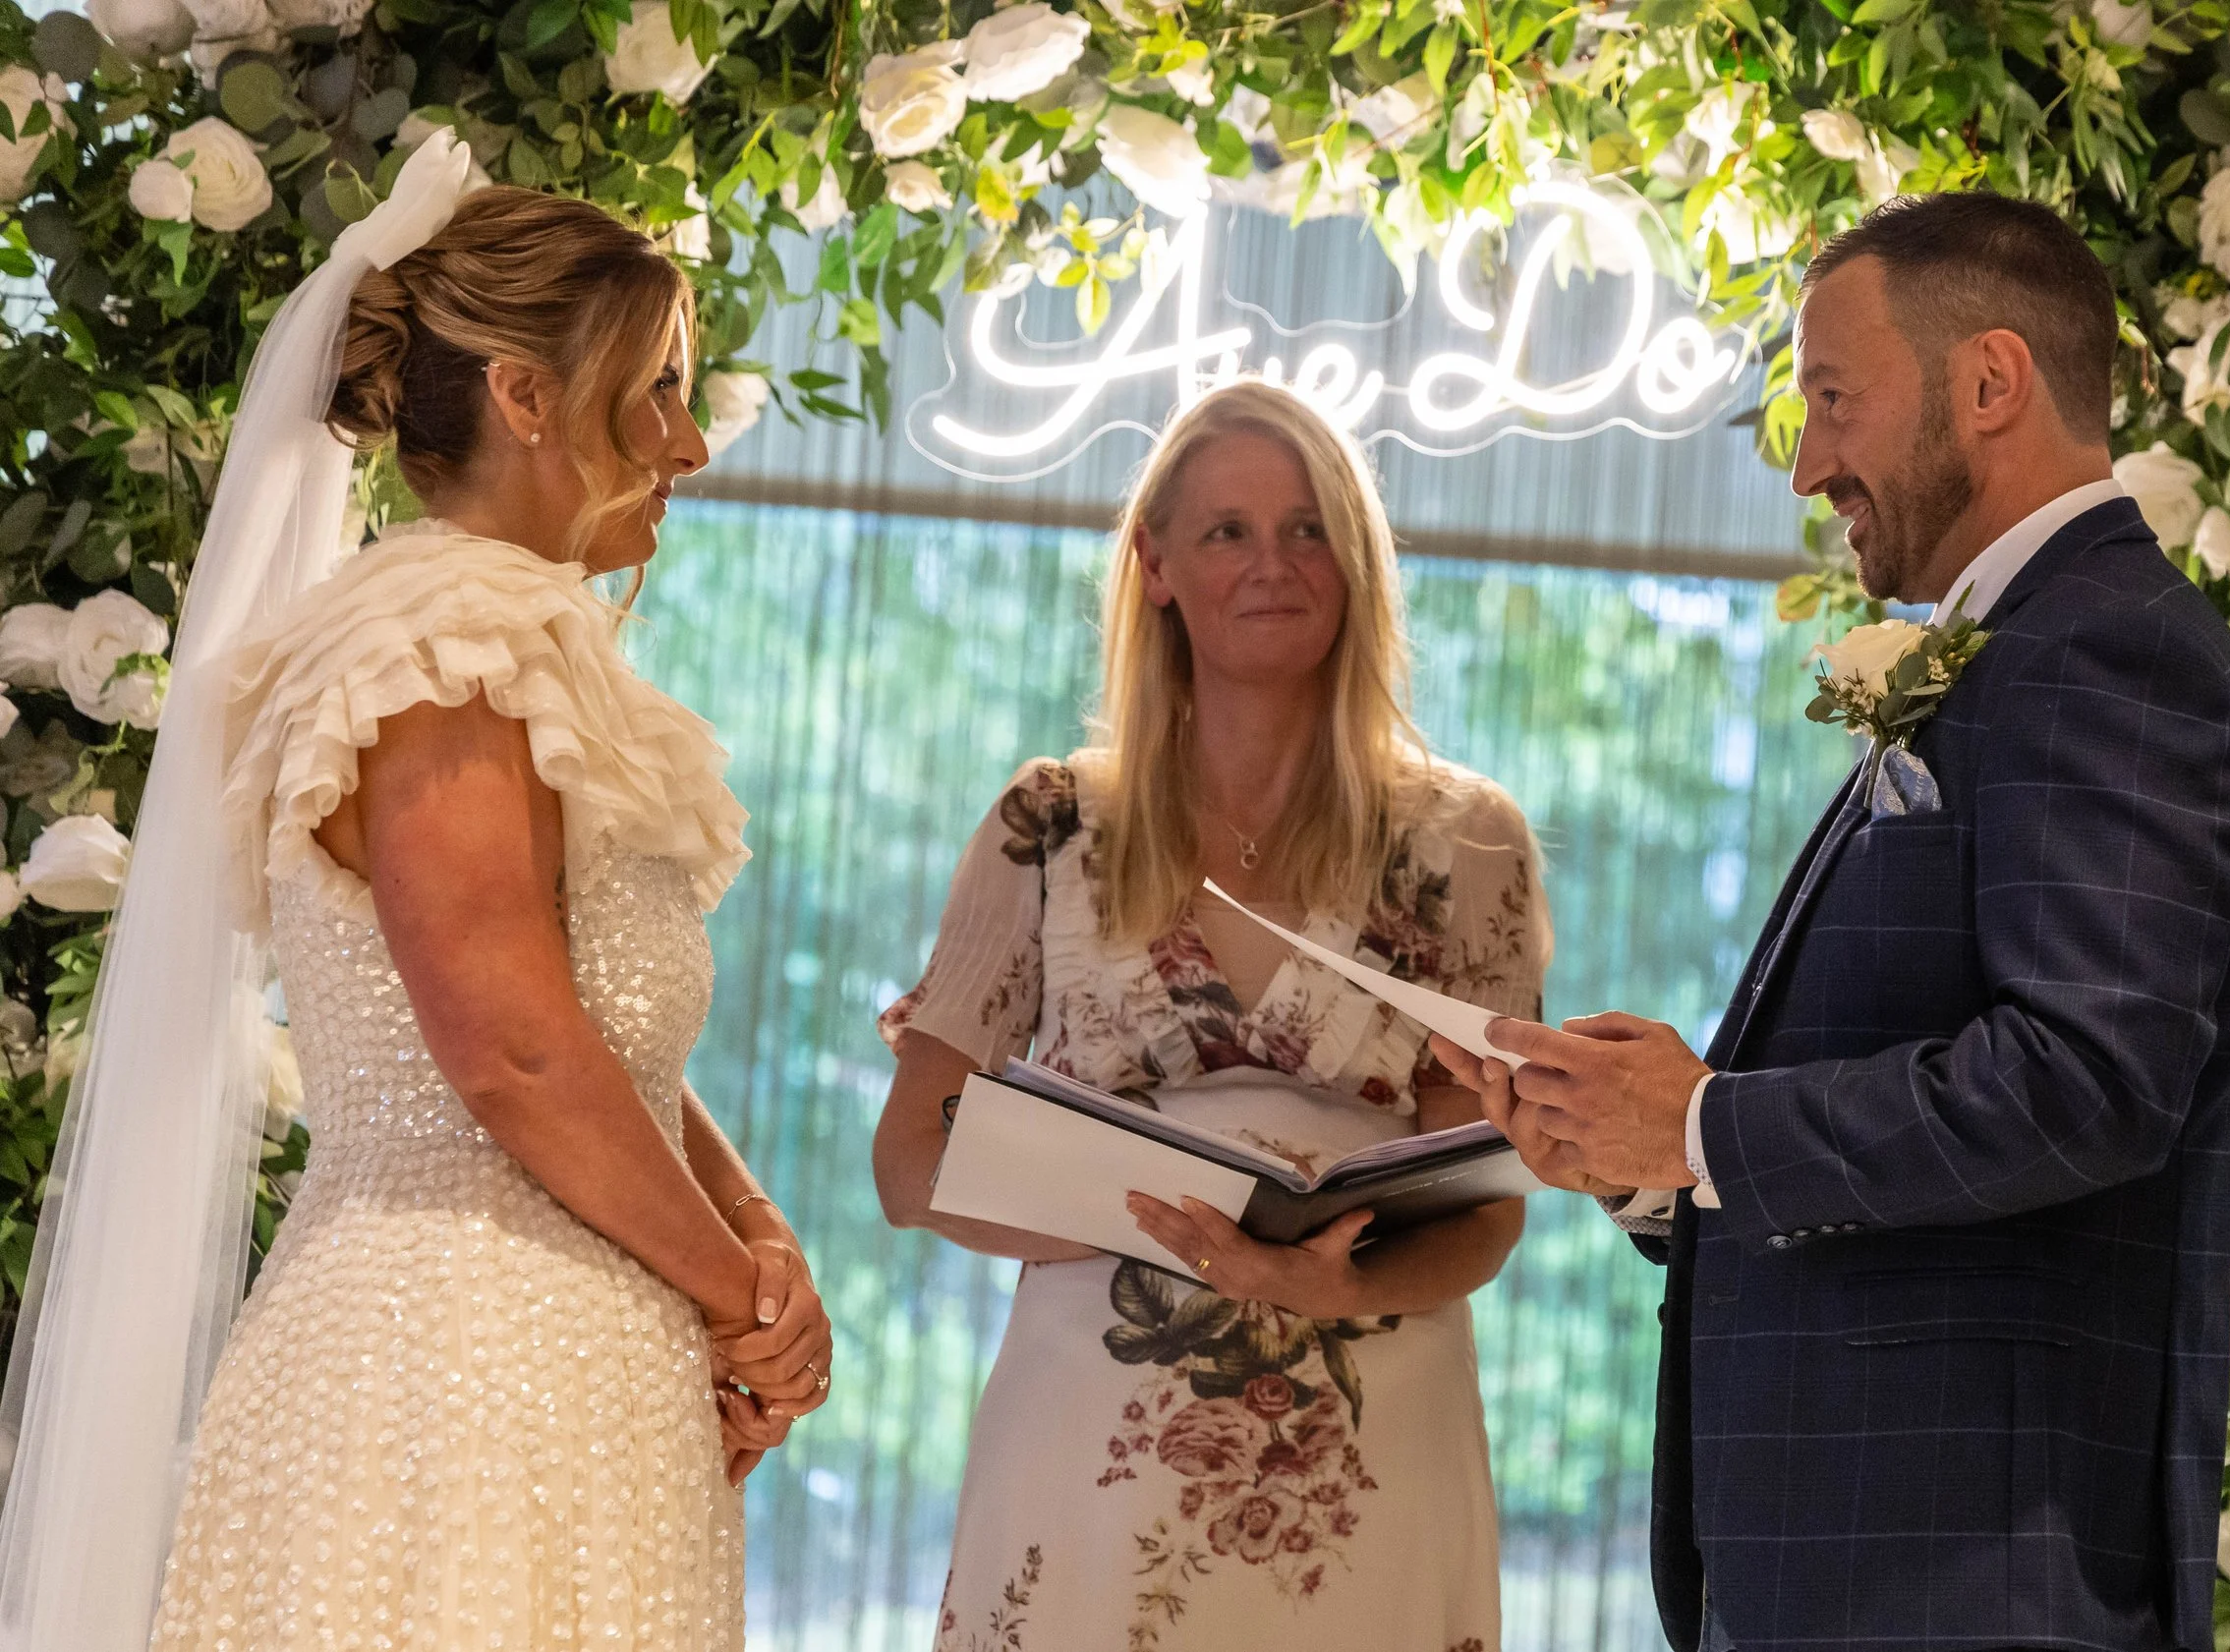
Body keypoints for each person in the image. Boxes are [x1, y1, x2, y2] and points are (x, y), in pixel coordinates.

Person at [0, 139, 830, 1651]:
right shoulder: (443, 645)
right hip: (452, 1372)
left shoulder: (497, 642)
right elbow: (509, 1046)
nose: (690, 442)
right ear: (523, 396)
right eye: (656, 390)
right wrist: (737, 1298)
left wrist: (753, 1228)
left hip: (562, 1364)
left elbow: (586, 1032)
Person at [1442, 192, 2230, 1651]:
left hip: (1970, 1575)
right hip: (1872, 1568)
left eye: (1833, 399)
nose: (1805, 464)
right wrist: (1646, 1159)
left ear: (1990, 382)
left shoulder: (2107, 654)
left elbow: (2086, 1085)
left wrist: (1711, 1128)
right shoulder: (2027, 650)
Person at [871, 379, 1546, 1652]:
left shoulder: (1469, 841)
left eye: (1307, 530)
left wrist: (1319, 1287)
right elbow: (910, 1165)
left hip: (1372, 1427)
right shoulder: (1049, 821)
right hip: (1092, 1437)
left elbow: (1486, 1208)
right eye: (1228, 531)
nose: (1272, 564)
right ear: (1157, 563)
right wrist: (1154, 1227)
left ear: (1355, 560)